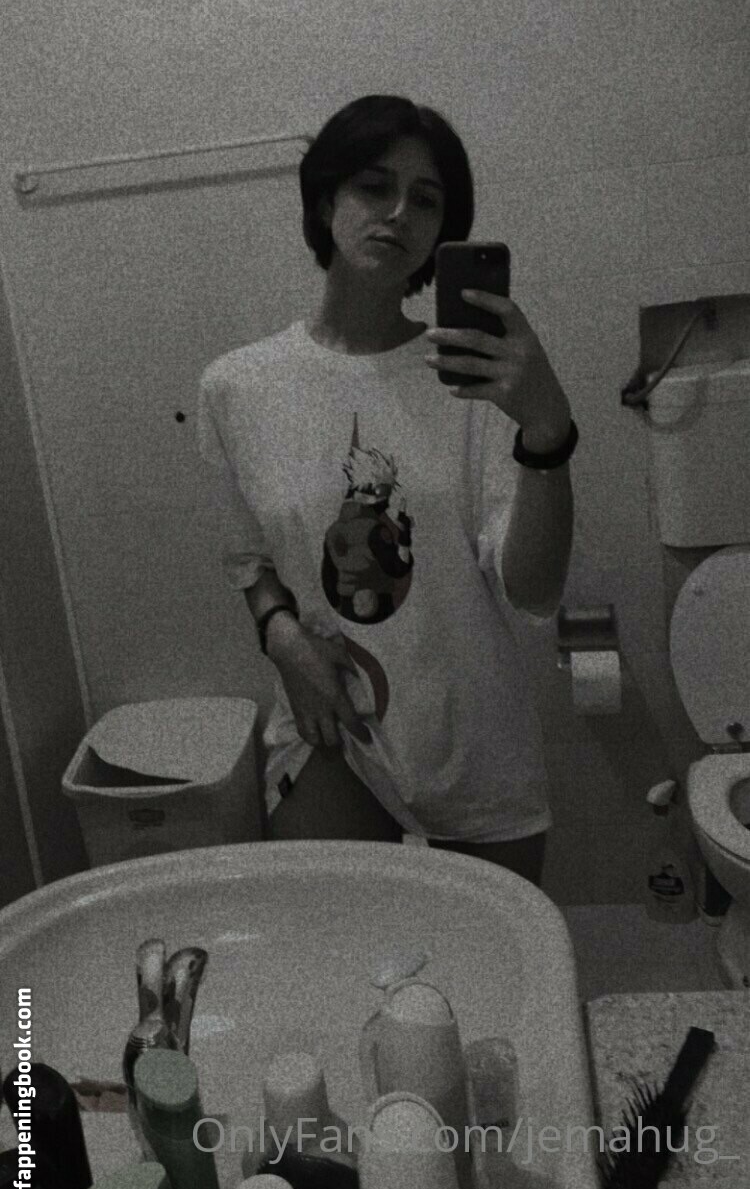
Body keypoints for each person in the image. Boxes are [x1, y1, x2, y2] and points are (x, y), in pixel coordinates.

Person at [197, 95, 577, 887]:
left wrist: (546, 432)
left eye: (426, 200)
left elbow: (534, 590)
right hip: (329, 721)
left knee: (489, 962)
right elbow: (249, 562)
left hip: (470, 734)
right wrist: (281, 638)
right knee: (327, 949)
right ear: (325, 200)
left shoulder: (471, 381)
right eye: (375, 186)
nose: (400, 212)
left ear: (443, 233)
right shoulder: (237, 388)